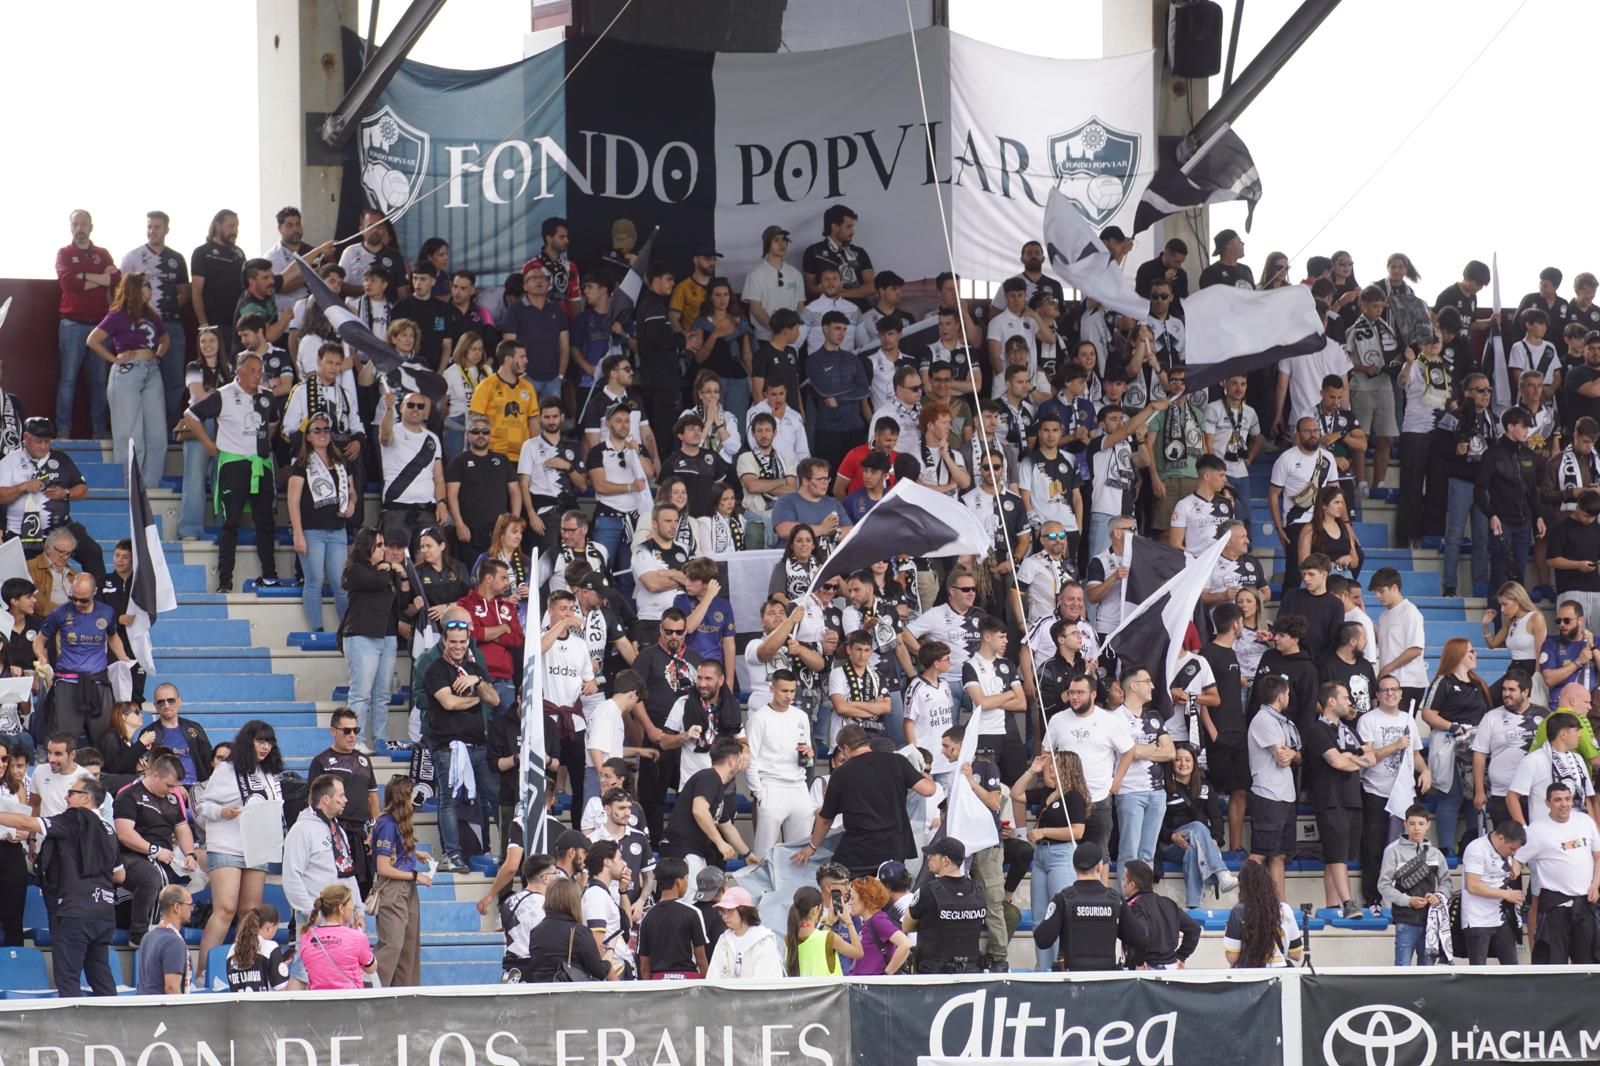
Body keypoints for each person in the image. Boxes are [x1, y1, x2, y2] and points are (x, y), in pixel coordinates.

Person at [0, 775, 122, 996]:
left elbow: (28, 823)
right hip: (103, 913)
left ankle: (73, 1031)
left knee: (68, 980)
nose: (66, 797)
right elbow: (120, 875)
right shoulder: (109, 829)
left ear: (85, 798)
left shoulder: (74, 818)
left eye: (71, 793)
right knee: (101, 978)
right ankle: (114, 1027)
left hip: (74, 913)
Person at [181, 354, 280, 592]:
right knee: (231, 523)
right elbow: (190, 415)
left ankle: (269, 575)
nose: (257, 375)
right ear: (240, 372)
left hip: (260, 464)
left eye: (260, 371)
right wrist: (208, 444)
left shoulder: (267, 397)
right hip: (234, 465)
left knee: (265, 521)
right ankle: (225, 581)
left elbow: (273, 422)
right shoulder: (224, 394)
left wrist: (263, 445)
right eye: (253, 371)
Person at [193, 720, 283, 979]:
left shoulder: (269, 773)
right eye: (260, 741)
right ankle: (203, 972)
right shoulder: (227, 770)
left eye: (269, 742)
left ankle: (243, 969)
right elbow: (203, 805)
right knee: (225, 909)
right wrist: (223, 812)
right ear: (248, 742)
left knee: (250, 911)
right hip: (226, 844)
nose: (265, 747)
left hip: (256, 846)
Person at [794, 725, 936, 877]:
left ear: (845, 748)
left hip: (860, 851)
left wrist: (812, 846)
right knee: (888, 893)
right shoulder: (897, 761)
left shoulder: (841, 774)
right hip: (895, 847)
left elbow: (825, 820)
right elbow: (928, 790)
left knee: (837, 882)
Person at [425, 617, 500, 871]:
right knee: (449, 800)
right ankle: (451, 854)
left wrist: (477, 683)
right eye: (453, 641)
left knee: (494, 797)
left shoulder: (475, 668)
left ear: (469, 641)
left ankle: (498, 849)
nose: (458, 646)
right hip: (449, 746)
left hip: (478, 745)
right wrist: (477, 700)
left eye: (462, 642)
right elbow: (449, 703)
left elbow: (496, 699)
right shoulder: (435, 669)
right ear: (444, 641)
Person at [88, 273, 171, 486]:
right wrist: (115, 359)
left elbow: (165, 338)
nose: (150, 290)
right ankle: (129, 486)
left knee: (157, 436)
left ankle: (150, 487)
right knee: (131, 436)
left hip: (152, 372)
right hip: (128, 374)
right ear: (134, 288)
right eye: (146, 285)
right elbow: (93, 340)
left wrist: (158, 355)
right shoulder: (118, 315)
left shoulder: (152, 315)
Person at [1010, 749, 1088, 970]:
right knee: (1039, 917)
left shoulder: (1073, 796)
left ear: (1067, 769)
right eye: (1050, 764)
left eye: (1056, 765)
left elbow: (1078, 831)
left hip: (1061, 856)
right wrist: (1031, 771)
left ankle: (1060, 965)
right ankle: (1043, 968)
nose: (1050, 768)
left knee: (1059, 914)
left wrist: (1044, 832)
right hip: (1042, 857)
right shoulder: (1046, 793)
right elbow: (1016, 794)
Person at [281, 773, 364, 978]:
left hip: (339, 918)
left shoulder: (338, 830)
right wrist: (311, 913)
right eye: (341, 796)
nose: (345, 800)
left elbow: (347, 872)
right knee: (304, 973)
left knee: (335, 975)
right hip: (314, 919)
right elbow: (292, 877)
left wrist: (358, 909)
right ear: (325, 799)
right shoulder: (301, 830)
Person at [0, 416, 100, 579]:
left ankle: (97, 600)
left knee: (92, 552)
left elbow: (83, 490)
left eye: (47, 442)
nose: (44, 446)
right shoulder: (10, 462)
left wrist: (66, 493)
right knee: (24, 577)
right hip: (20, 532)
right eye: (39, 441)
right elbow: (1, 496)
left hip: (59, 527)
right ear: (26, 437)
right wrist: (22, 487)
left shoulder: (61, 459)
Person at [1420, 638, 1492, 858]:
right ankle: (1445, 849)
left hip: (1476, 745)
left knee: (1475, 796)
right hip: (1451, 743)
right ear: (1459, 654)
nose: (1475, 655)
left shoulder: (1478, 684)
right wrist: (1452, 726)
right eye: (1471, 651)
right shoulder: (1444, 681)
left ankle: (1474, 847)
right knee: (1451, 796)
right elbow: (1428, 713)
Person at [1517, 781, 1600, 964]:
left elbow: (1598, 856)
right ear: (1547, 803)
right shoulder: (1536, 829)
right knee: (1555, 963)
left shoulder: (1585, 821)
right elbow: (1517, 859)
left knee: (1588, 963)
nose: (1564, 804)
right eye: (1558, 800)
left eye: (1568, 799)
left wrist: (1595, 884)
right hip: (1555, 905)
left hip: (1585, 902)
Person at [1032, 841, 1144, 971]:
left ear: (1074, 866)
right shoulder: (1115, 900)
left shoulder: (1063, 899)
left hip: (1072, 981)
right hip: (1107, 981)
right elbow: (1138, 938)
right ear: (1099, 867)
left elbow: (1042, 939)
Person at [56, 209, 118, 438]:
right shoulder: (64, 253)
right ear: (70, 227)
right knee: (68, 379)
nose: (80, 228)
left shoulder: (102, 254)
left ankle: (99, 431)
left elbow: (115, 280)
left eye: (84, 224)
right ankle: (63, 430)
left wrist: (83, 276)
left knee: (100, 381)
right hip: (72, 324)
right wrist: (99, 278)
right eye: (76, 224)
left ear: (91, 226)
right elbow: (67, 283)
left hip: (101, 327)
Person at [340, 528, 401, 754]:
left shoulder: (385, 571)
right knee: (361, 693)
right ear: (368, 548)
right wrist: (389, 570)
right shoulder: (356, 570)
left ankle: (381, 740)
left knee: (382, 694)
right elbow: (375, 581)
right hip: (362, 635)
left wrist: (399, 574)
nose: (384, 549)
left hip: (387, 635)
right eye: (379, 545)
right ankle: (355, 739)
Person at [307, 708, 380, 896]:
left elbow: (372, 799)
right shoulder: (320, 761)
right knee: (333, 890)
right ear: (333, 731)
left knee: (362, 889)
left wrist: (374, 830)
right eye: (346, 731)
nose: (352, 735)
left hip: (359, 835)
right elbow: (312, 802)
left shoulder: (364, 760)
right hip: (333, 832)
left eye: (356, 730)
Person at [368, 776, 431, 988]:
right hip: (394, 889)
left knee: (409, 946)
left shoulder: (399, 822)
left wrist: (416, 853)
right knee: (393, 945)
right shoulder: (386, 823)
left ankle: (405, 991)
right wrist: (415, 875)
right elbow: (383, 867)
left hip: (407, 889)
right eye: (411, 794)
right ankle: (373, 987)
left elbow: (397, 852)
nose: (414, 798)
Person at [1160, 742, 1239, 908]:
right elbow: (1156, 824)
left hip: (1196, 846)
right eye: (1178, 760)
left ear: (1194, 763)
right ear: (1172, 762)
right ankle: (1221, 873)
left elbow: (1217, 818)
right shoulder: (1164, 787)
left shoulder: (1205, 787)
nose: (1183, 764)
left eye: (1188, 760)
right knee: (1197, 827)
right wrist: (1172, 836)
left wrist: (1215, 841)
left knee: (1192, 851)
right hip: (1172, 845)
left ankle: (1194, 906)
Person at [1477, 408, 1545, 594]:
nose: (1527, 431)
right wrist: (1491, 514)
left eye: (1528, 427)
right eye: (1523, 427)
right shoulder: (1492, 454)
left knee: (1519, 576)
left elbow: (1531, 490)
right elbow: (1480, 489)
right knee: (1500, 574)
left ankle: (1517, 622)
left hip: (1523, 523)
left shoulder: (1527, 454)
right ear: (1510, 426)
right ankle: (1498, 621)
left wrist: (1538, 516)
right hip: (1502, 522)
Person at [1246, 675, 1301, 895]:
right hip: (1268, 795)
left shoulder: (1281, 720)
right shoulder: (1263, 719)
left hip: (1286, 795)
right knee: (1260, 854)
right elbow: (1283, 757)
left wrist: (1293, 753)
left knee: (1279, 855)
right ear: (1280, 696)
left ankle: (1281, 909)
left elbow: (1296, 755)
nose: (1289, 697)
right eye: (1287, 694)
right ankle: (1244, 899)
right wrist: (1292, 754)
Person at [1378, 804, 1452, 966]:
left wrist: (1437, 896)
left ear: (1428, 825)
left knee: (1428, 969)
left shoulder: (1436, 854)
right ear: (1405, 824)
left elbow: (1446, 883)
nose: (1416, 828)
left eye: (1420, 824)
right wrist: (1407, 901)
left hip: (1430, 921)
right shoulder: (1394, 852)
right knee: (1402, 967)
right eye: (1412, 824)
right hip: (1405, 919)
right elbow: (1384, 885)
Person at [899, 837, 984, 973]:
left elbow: (906, 926)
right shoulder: (978, 891)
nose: (928, 858)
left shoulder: (927, 891)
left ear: (945, 860)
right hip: (970, 972)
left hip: (934, 976)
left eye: (933, 855)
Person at [1507, 711, 1595, 825]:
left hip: (1577, 832)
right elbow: (1512, 797)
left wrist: (1594, 831)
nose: (1580, 735)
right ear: (1563, 734)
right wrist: (1524, 829)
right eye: (1576, 731)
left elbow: (1587, 799)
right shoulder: (1533, 760)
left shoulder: (1578, 759)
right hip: (1545, 833)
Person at [1460, 821, 1527, 966]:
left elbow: (1516, 856)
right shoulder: (1476, 849)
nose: (1514, 853)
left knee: (1512, 967)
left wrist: (1516, 863)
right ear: (1501, 838)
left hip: (1502, 917)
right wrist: (1506, 895)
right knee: (1478, 969)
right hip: (1478, 918)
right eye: (1512, 848)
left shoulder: (1508, 850)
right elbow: (1472, 885)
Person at [635, 856, 708, 980]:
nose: (687, 882)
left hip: (659, 983)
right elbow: (701, 960)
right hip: (688, 981)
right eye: (686, 878)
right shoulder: (693, 913)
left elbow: (644, 967)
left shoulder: (646, 918)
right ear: (678, 882)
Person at [1120, 860, 1201, 970]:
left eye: (1124, 879)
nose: (1122, 883)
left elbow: (1142, 936)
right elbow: (1194, 929)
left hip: (1146, 971)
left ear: (1132, 885)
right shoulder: (1169, 903)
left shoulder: (1135, 907)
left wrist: (1139, 962)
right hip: (1171, 968)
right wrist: (1181, 956)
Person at [1223, 860, 1304, 968]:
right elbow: (1296, 954)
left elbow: (1232, 957)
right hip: (1280, 976)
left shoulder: (1238, 912)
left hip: (1249, 977)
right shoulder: (1285, 909)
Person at [300, 883, 375, 990]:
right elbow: (371, 968)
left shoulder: (307, 936)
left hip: (318, 1001)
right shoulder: (357, 937)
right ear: (341, 908)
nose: (353, 907)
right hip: (351, 1002)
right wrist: (358, 933)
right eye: (351, 903)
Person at [705, 885, 785, 980]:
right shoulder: (723, 940)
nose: (725, 916)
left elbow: (766, 981)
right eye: (722, 911)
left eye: (730, 910)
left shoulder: (763, 940)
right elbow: (713, 976)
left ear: (744, 911)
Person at [134, 884, 193, 994]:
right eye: (189, 904)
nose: (192, 909)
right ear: (176, 907)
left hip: (145, 1008)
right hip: (162, 1010)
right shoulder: (174, 942)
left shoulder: (148, 936)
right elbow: (172, 989)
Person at [224, 903, 290, 992]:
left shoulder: (232, 950)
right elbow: (283, 990)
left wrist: (279, 965)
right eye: (276, 928)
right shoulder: (270, 947)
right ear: (270, 927)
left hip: (239, 1005)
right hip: (265, 1005)